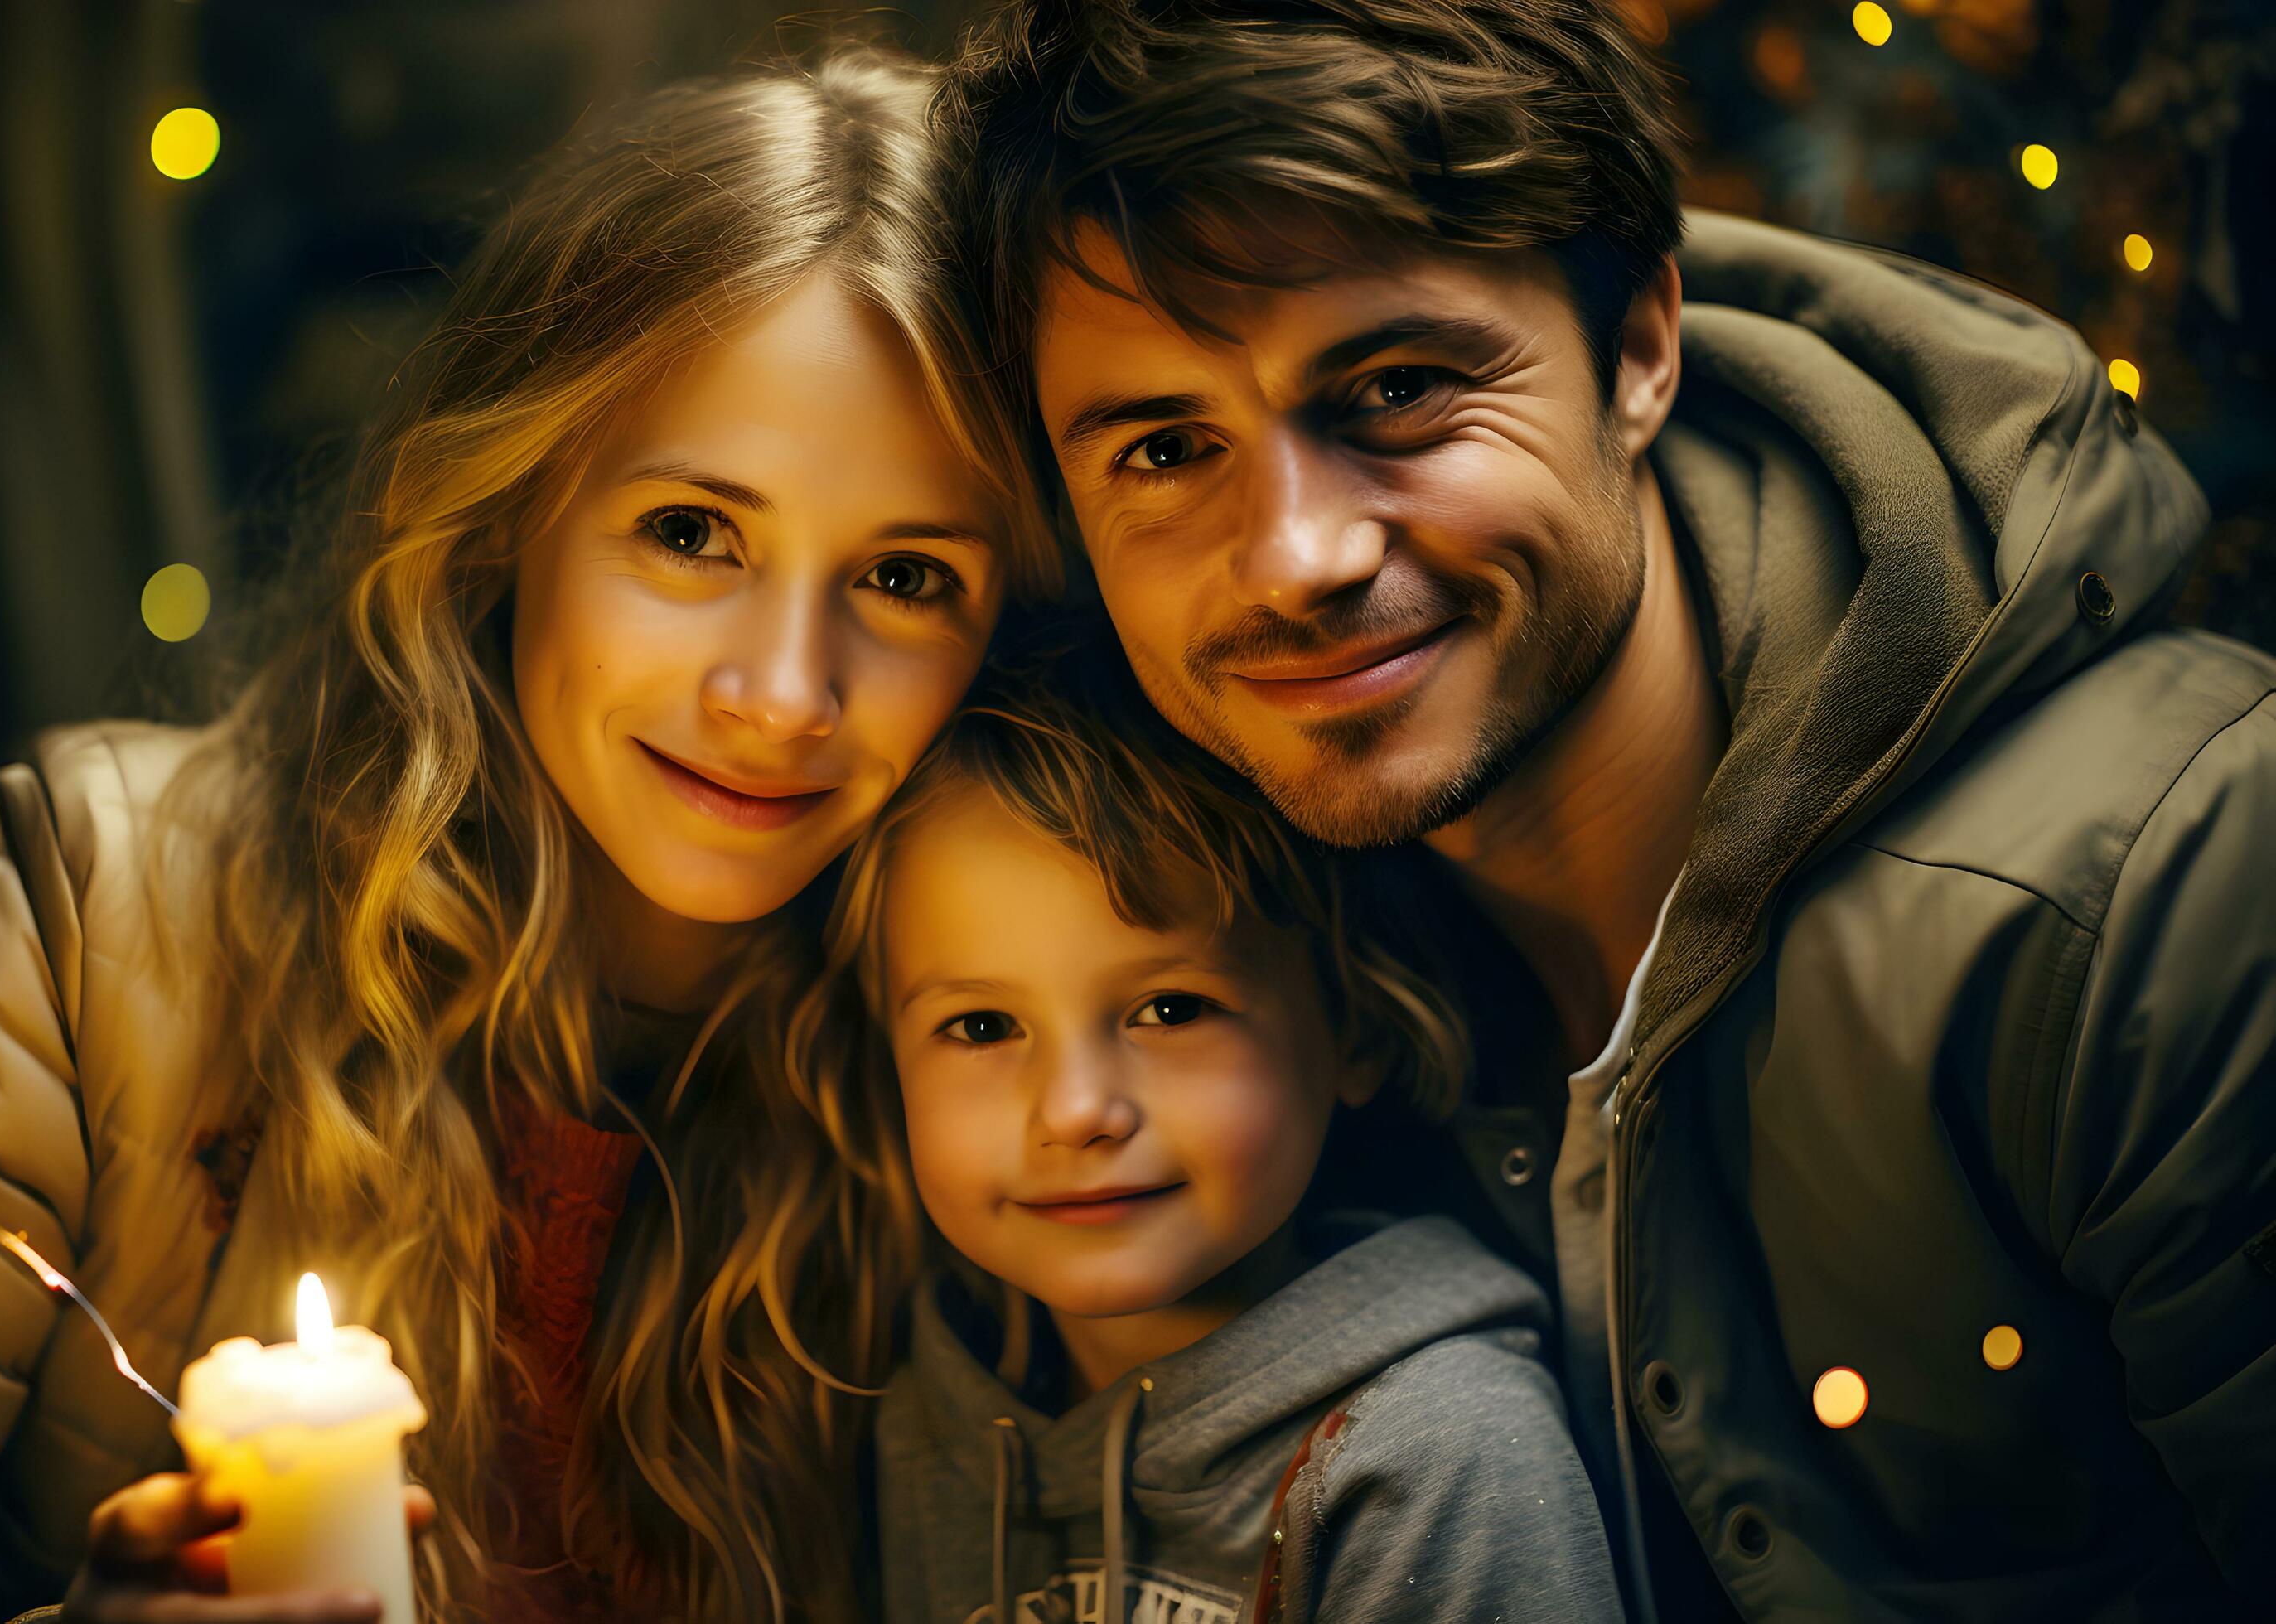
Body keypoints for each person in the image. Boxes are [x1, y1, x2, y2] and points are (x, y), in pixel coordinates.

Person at [940, 2, 2276, 1619]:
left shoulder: (2178, 893)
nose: (1297, 555)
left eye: (1397, 387)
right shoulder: (1214, 919)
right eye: (1162, 446)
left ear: (1640, 348)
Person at [0, 44, 1056, 1624]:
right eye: (691, 535)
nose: (780, 693)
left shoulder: (992, 1050)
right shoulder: (97, 912)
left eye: (905, 578)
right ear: (508, 510)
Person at [792, 659, 1621, 1623]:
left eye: (1169, 1008)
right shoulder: (925, 1432)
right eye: (981, 1027)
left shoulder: (1438, 1456)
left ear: (1350, 1023)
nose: (1075, 1109)